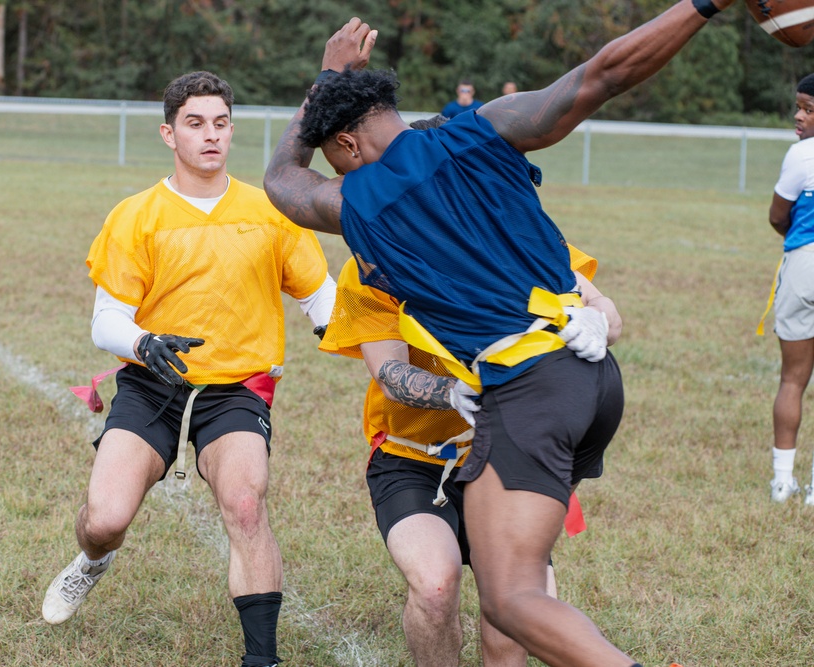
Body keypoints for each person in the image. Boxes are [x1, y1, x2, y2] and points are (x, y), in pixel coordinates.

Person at [263, 3, 734, 665]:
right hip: (591, 377)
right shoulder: (482, 128)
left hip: (527, 390)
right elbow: (603, 74)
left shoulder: (360, 200)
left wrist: (324, 78)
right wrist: (704, 5)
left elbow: (281, 179)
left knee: (509, 599)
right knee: (514, 584)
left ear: (343, 147)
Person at [41, 70, 336, 667]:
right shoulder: (136, 216)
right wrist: (144, 341)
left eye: (221, 124)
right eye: (195, 124)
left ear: (232, 131)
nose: (210, 136)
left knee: (246, 504)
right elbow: (106, 321)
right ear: (168, 133)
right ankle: (93, 561)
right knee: (104, 518)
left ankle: (263, 659)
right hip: (154, 383)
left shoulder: (270, 210)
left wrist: (349, 330)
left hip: (237, 389)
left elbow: (320, 296)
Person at [320, 230, 615, 666]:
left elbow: (604, 306)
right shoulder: (371, 264)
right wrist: (451, 391)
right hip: (414, 457)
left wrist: (598, 320)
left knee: (515, 612)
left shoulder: (513, 233)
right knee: (435, 586)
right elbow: (390, 372)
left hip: (506, 456)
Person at [767, 72, 814, 505]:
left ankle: (783, 483)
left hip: (803, 265)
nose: (798, 116)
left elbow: (777, 215)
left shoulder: (801, 155)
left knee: (792, 380)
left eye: (808, 108)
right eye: (798, 106)